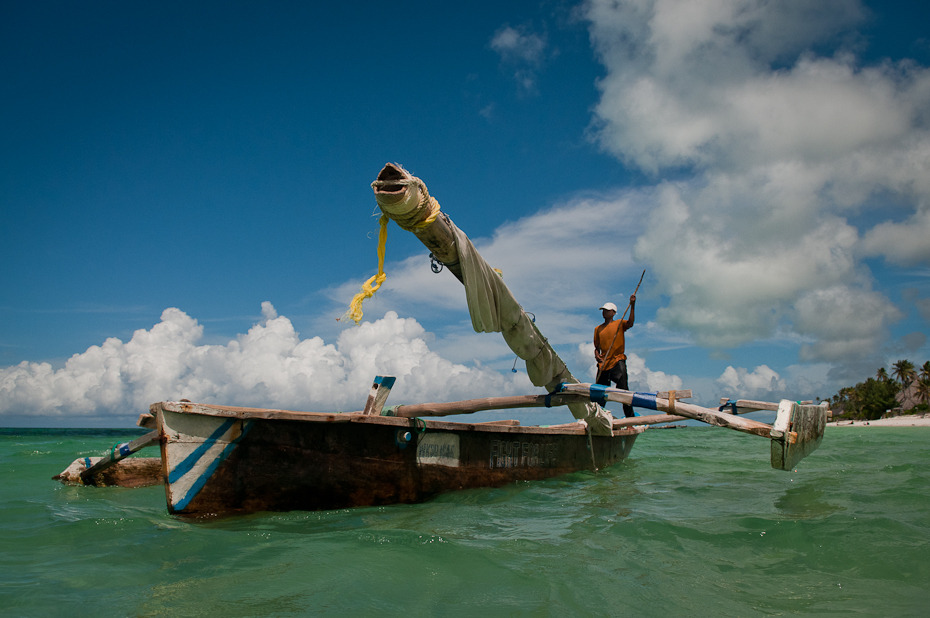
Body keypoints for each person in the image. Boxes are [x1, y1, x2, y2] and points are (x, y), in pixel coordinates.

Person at [594, 296, 636, 417]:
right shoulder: (598, 329)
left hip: (617, 361)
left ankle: (630, 419)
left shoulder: (619, 323)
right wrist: (597, 356)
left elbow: (630, 323)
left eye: (607, 310)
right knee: (599, 393)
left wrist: (632, 305)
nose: (604, 312)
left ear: (613, 313)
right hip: (603, 364)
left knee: (624, 391)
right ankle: (598, 418)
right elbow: (596, 348)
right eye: (603, 310)